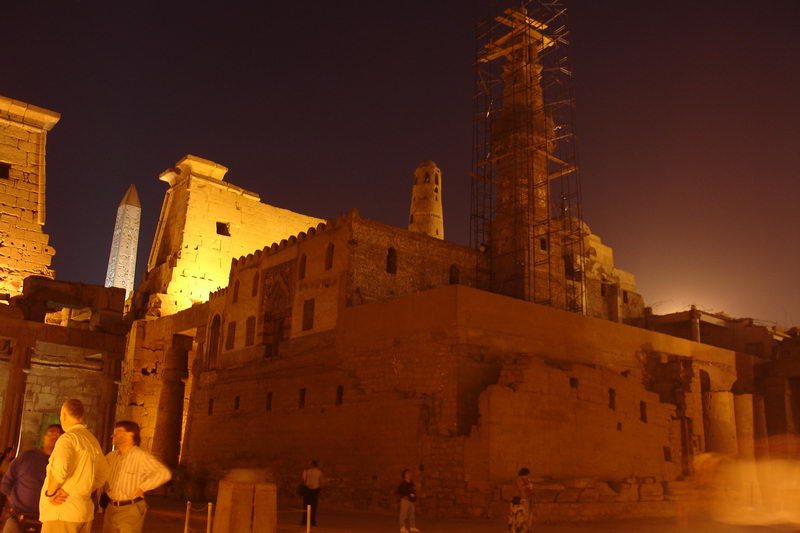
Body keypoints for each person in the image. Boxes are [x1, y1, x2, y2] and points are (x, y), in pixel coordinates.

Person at [39, 399, 108, 533]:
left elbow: (60, 469)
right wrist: (83, 489)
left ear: (63, 415)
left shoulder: (68, 439)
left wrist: (51, 494)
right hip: (83, 512)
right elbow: (103, 473)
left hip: (62, 512)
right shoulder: (92, 441)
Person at [101, 421, 171, 533]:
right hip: (111, 508)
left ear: (130, 435)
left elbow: (163, 473)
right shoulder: (111, 456)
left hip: (130, 508)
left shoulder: (140, 456)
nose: (113, 435)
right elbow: (99, 473)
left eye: (118, 432)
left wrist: (143, 487)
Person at [0, 424, 64, 533]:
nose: (54, 436)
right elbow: (6, 484)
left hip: (47, 522)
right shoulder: (26, 457)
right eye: (51, 432)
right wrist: (14, 505)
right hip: (17, 518)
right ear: (44, 437)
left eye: (59, 434)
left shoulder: (63, 464)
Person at [507, 467, 533, 533]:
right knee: (517, 517)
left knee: (523, 516)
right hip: (517, 500)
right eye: (527, 475)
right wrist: (527, 486)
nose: (527, 476)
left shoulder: (526, 480)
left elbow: (527, 489)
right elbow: (521, 489)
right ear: (524, 474)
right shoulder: (518, 479)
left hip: (523, 499)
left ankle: (523, 530)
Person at [300, 460, 323, 528]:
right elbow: (321, 482)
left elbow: (303, 480)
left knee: (305, 506)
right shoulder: (319, 473)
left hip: (307, 490)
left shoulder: (306, 472)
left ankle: (304, 521)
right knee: (314, 507)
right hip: (315, 491)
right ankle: (312, 521)